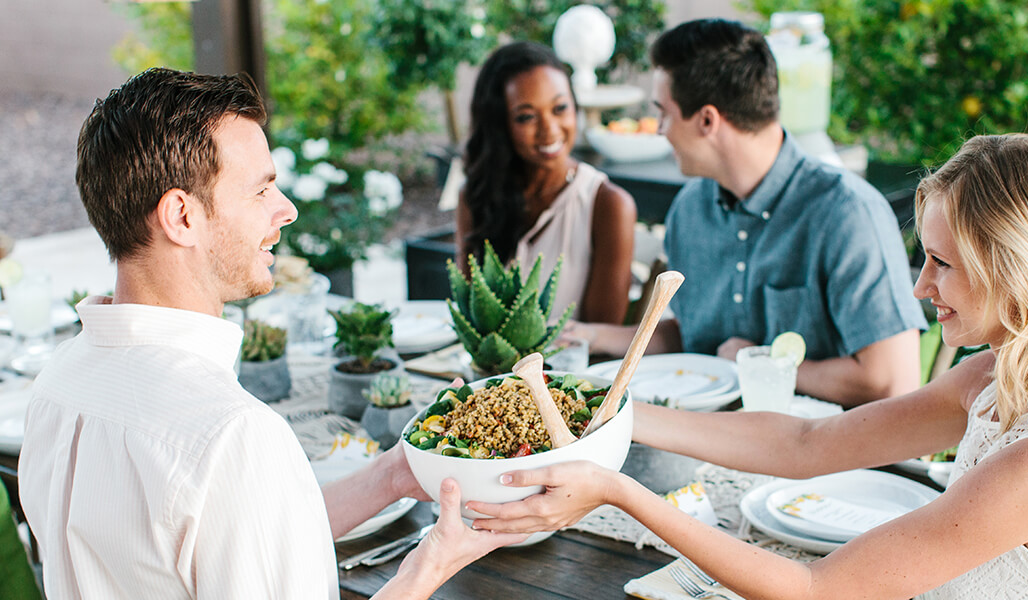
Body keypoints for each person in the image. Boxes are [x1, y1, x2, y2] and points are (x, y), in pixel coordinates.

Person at [473, 133, 1028, 598]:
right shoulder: (1000, 377)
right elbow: (806, 443)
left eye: (940, 263)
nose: (920, 287)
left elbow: (815, 589)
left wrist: (618, 489)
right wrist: (604, 411)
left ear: (1020, 272)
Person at [18, 68, 525, 599]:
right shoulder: (230, 435)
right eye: (261, 190)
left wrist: (392, 475)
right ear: (181, 218)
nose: (287, 209)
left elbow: (233, 540)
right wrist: (429, 569)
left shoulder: (58, 383)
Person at [569, 19, 925, 406]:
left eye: (664, 114)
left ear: (707, 120)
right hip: (706, 440)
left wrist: (756, 362)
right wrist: (592, 336)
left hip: (824, 452)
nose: (659, 130)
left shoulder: (848, 213)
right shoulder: (690, 210)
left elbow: (892, 382)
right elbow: (694, 339)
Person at [456, 41, 637, 325]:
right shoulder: (476, 196)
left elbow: (603, 338)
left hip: (573, 369)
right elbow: (469, 318)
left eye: (560, 108)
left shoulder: (609, 205)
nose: (550, 130)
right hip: (489, 370)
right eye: (526, 116)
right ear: (500, 124)